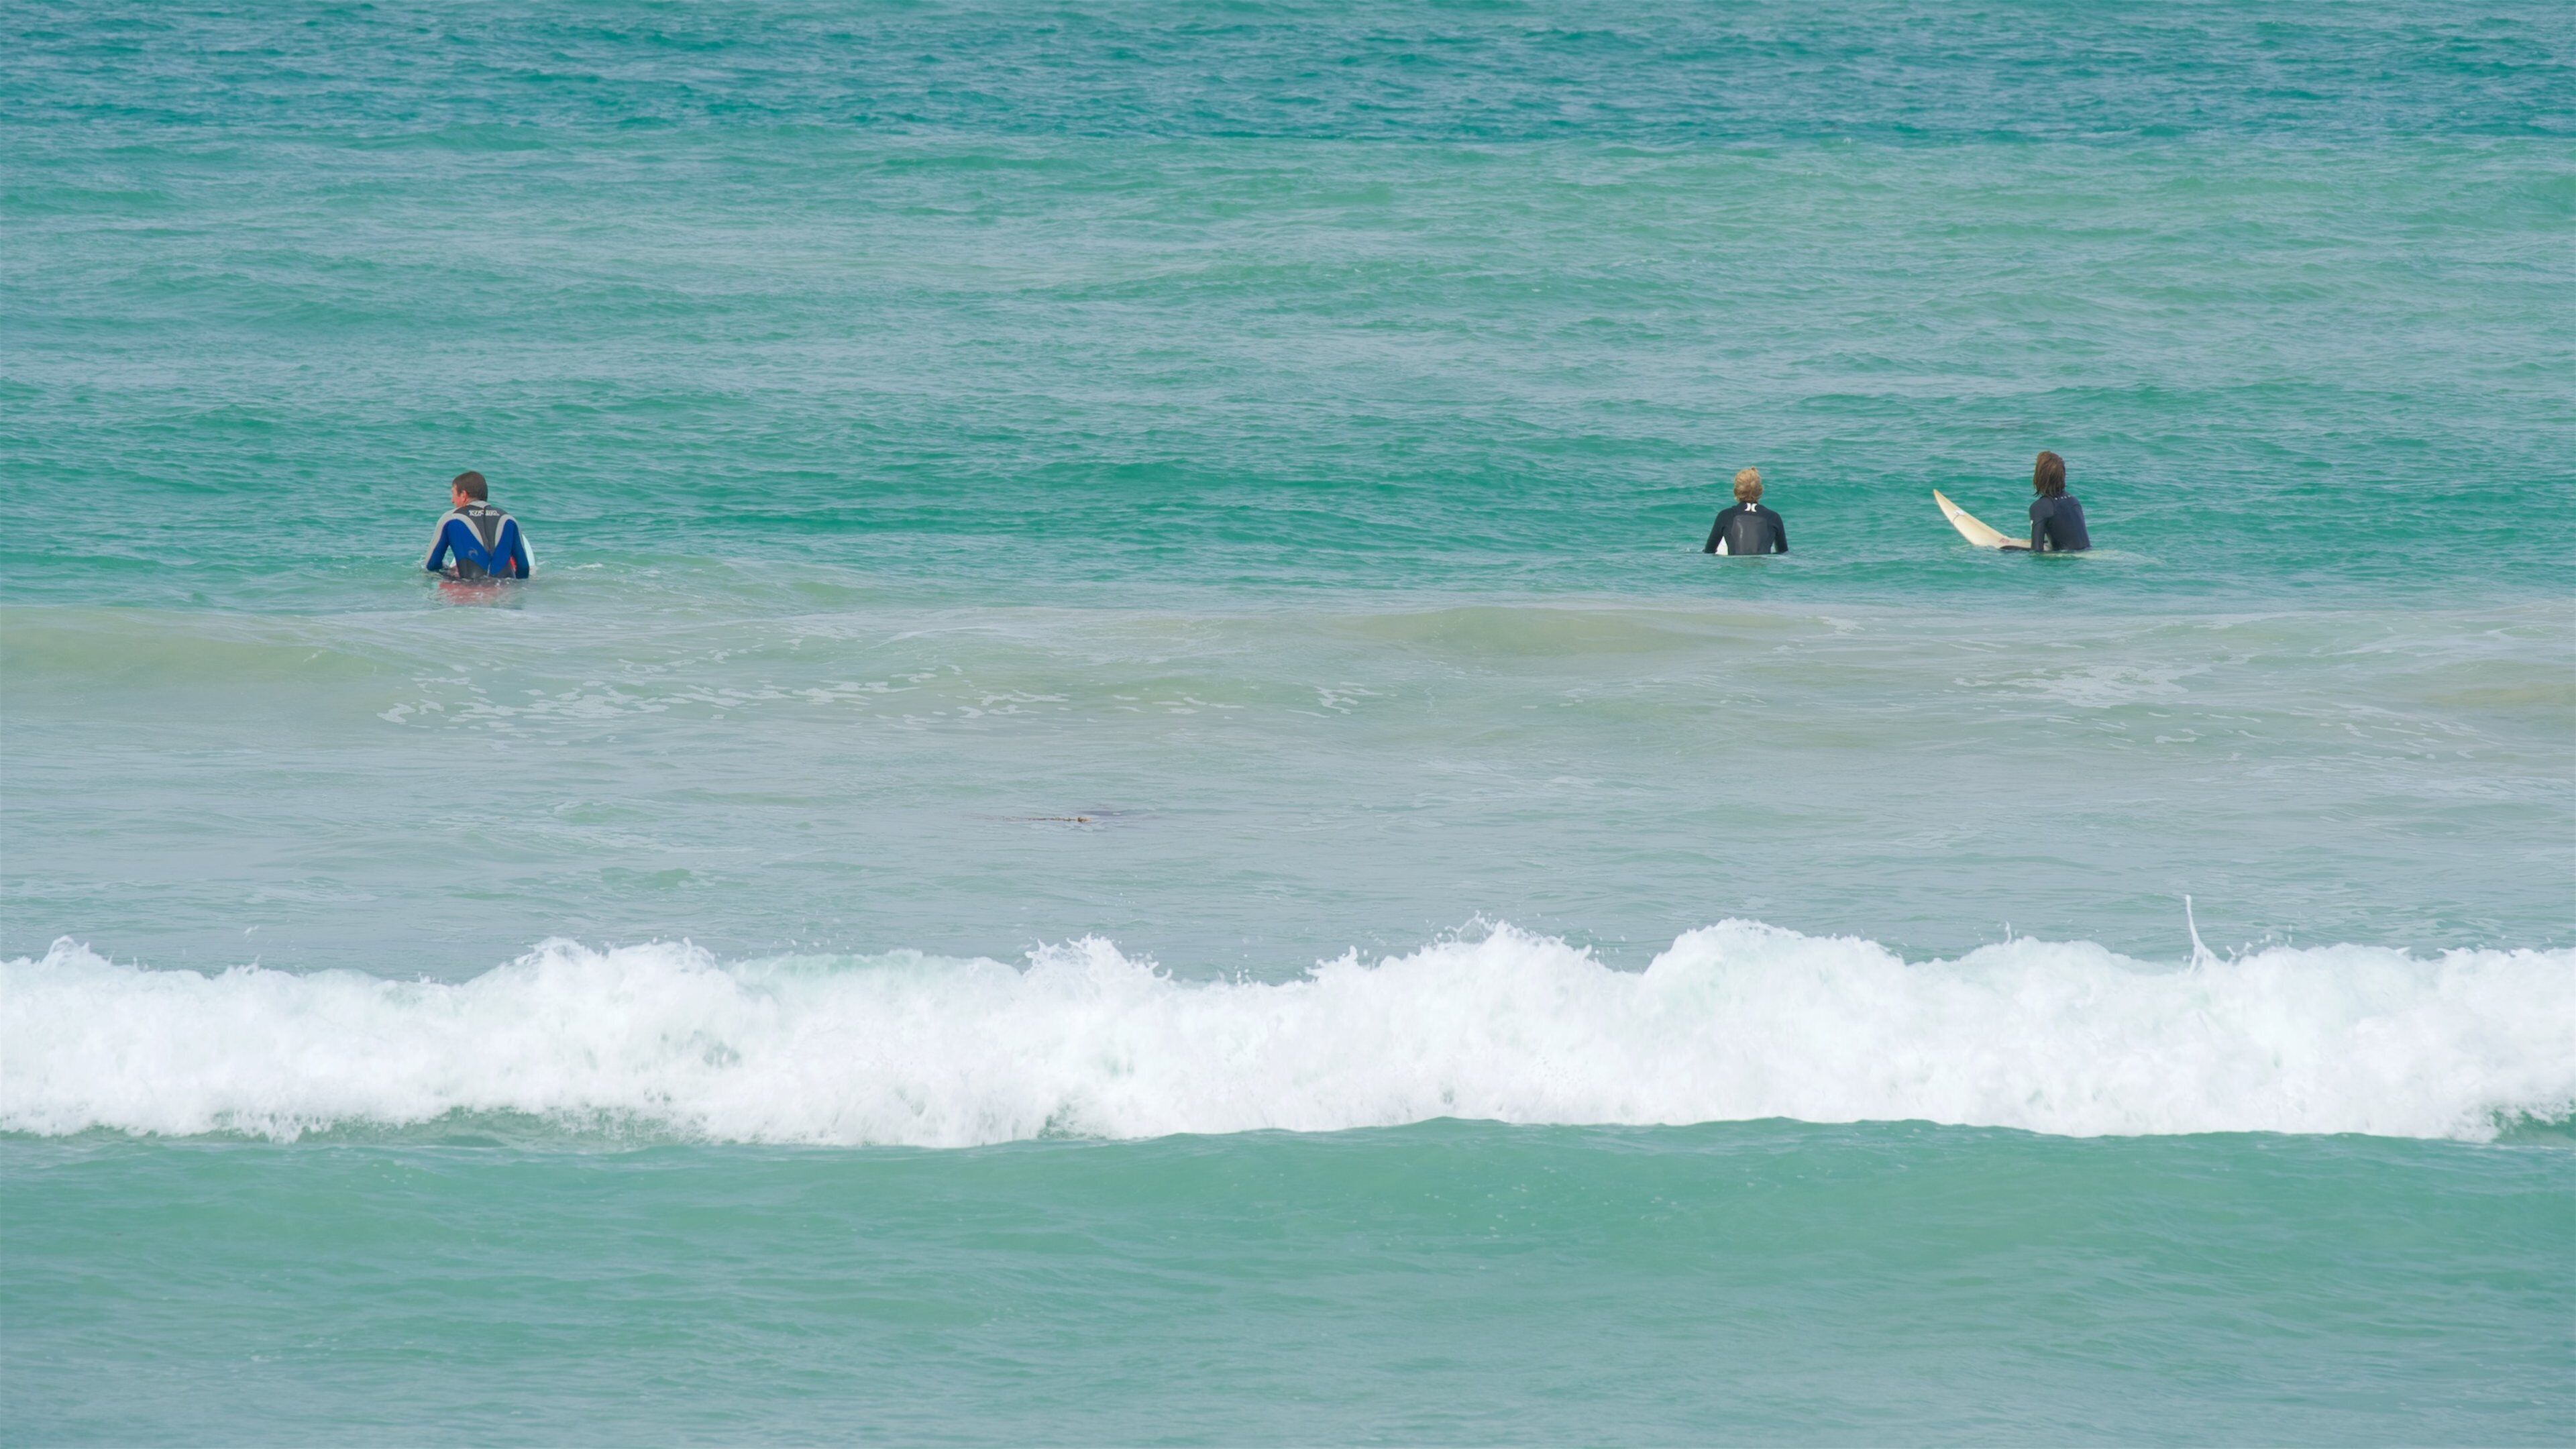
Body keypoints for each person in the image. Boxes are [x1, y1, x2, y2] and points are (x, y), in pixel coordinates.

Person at [423, 470, 533, 580]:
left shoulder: (450, 518)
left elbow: (431, 565)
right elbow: (523, 568)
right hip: (505, 585)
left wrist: (449, 572)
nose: (452, 500)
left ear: (464, 495)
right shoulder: (509, 519)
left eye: (453, 493)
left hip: (470, 586)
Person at [1704, 468, 1788, 555]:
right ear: (1761, 490)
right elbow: (1783, 552)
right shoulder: (1773, 517)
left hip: (1735, 564)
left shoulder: (1725, 516)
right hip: (1762, 564)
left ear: (1736, 491)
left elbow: (1709, 551)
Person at [2027, 451, 2090, 553]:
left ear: (2040, 476)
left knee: (2005, 550)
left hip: (2066, 559)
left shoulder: (2039, 507)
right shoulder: (2074, 500)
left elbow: (2036, 551)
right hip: (2086, 553)